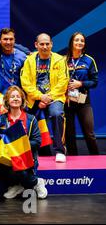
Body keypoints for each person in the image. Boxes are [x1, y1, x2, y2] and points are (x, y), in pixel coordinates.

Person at [21, 33, 69, 162]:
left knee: (57, 113)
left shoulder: (60, 60)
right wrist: (40, 97)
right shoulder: (29, 61)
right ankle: (26, 151)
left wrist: (49, 97)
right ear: (36, 45)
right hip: (34, 98)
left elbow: (63, 82)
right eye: (41, 44)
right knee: (24, 117)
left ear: (51, 44)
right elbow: (25, 82)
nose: (45, 46)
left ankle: (60, 150)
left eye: (47, 44)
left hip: (54, 98)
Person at [0, 86, 48, 199]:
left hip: (26, 157)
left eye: (18, 97)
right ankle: (18, 185)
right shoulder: (1, 119)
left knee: (20, 167)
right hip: (7, 157)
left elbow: (37, 141)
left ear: (22, 100)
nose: (15, 99)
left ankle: (36, 182)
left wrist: (18, 146)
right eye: (12, 97)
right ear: (7, 101)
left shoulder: (31, 119)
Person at [65, 32, 99, 155]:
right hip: (66, 101)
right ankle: (73, 162)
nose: (79, 43)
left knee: (89, 133)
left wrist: (81, 84)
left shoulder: (89, 60)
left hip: (83, 100)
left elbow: (95, 82)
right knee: (69, 134)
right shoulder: (63, 60)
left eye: (82, 41)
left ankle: (97, 160)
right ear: (71, 43)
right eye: (77, 40)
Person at [0, 28, 28, 101]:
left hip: (17, 95)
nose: (8, 42)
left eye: (11, 39)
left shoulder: (22, 56)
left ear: (14, 40)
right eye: (5, 39)